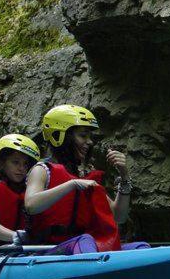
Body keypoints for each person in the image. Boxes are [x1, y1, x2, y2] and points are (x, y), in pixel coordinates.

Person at [23, 104, 147, 253]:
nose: (90, 142)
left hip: (84, 247)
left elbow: (118, 216)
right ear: (60, 136)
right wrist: (72, 184)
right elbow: (31, 205)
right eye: (83, 135)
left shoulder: (84, 175)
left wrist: (124, 176)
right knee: (85, 240)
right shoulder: (41, 170)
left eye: (90, 137)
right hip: (48, 249)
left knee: (141, 247)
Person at [0, 134, 41, 244]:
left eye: (25, 164)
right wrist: (19, 237)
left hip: (27, 250)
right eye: (15, 162)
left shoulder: (32, 192)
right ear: (1, 163)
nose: (21, 168)